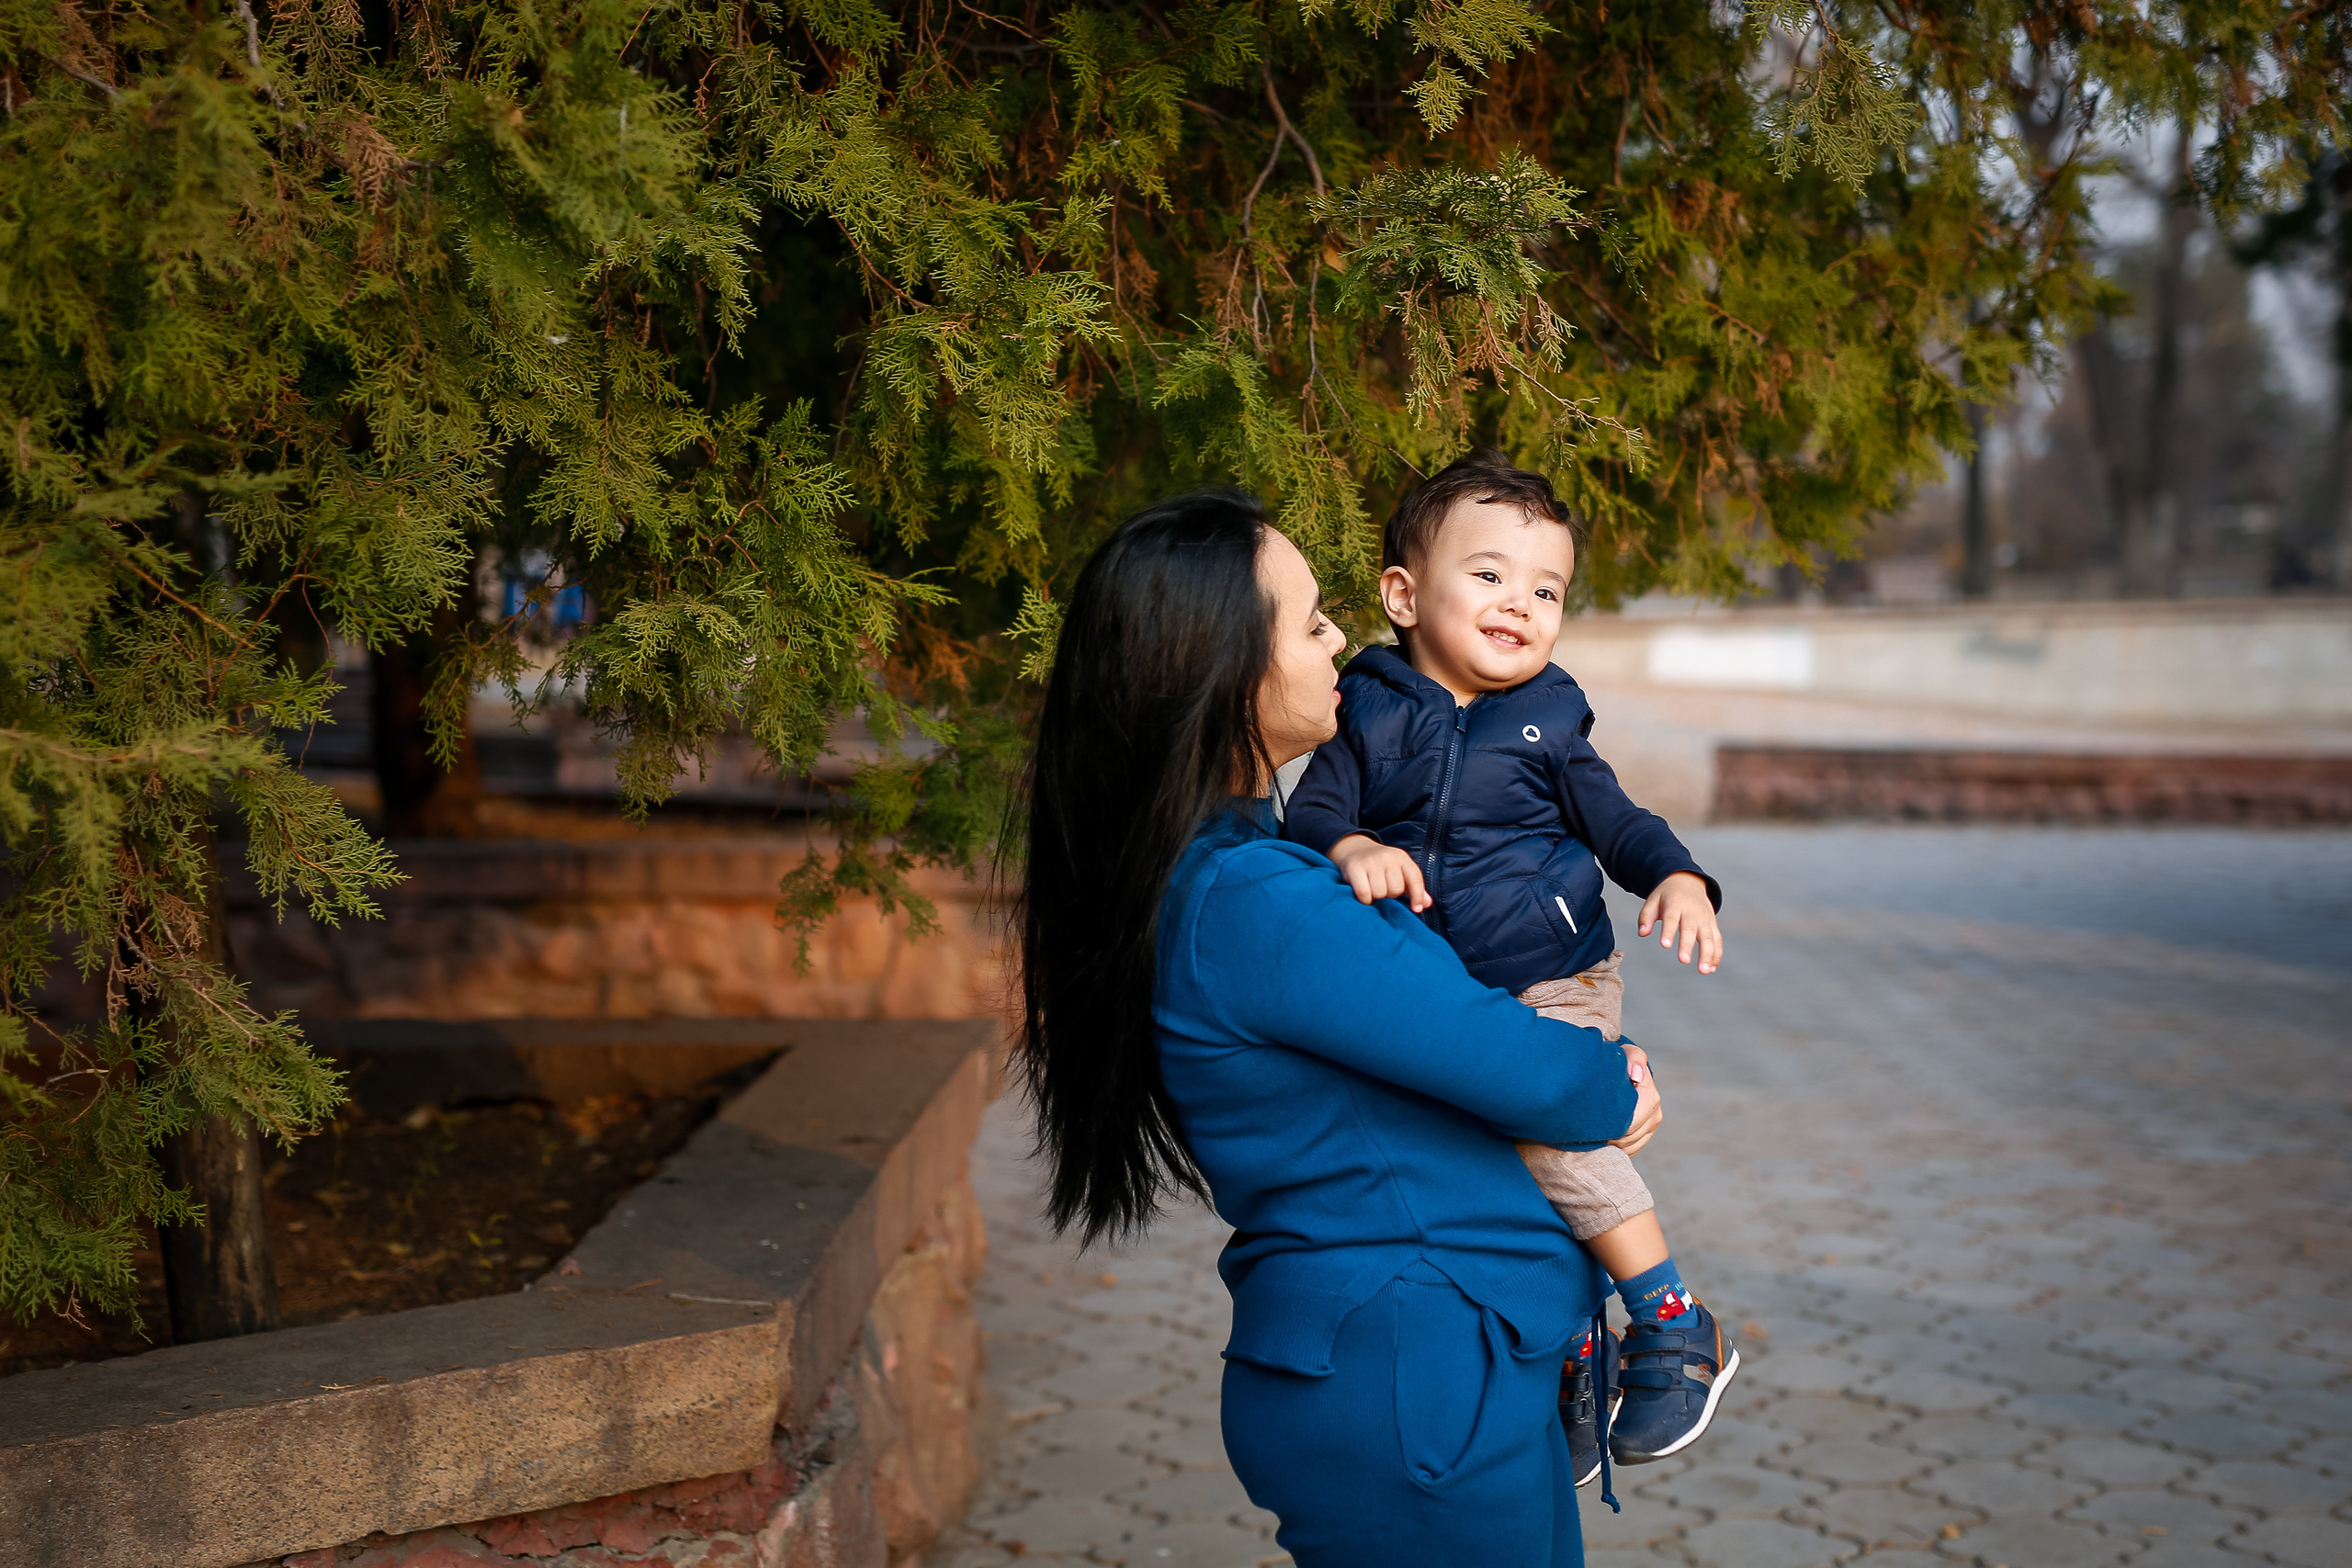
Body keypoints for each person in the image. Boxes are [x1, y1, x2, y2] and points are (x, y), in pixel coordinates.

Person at [1019, 488, 1661, 1567]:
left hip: (1440, 1364)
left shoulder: (1245, 866)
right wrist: (1616, 1080)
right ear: (1224, 664)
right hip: (1414, 1372)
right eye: (1311, 620)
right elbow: (1525, 1071)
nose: (1339, 644)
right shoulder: (1256, 898)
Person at [1282, 451, 1740, 1483]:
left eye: (1545, 590)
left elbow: (1617, 823)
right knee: (1485, 1169)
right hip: (1438, 991)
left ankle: (1670, 1318)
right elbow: (1313, 812)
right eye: (1487, 575)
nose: (1520, 606)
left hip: (1555, 976)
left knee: (1548, 1121)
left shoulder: (1549, 718)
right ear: (1403, 594)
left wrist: (1678, 878)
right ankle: (1572, 1350)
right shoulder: (1367, 709)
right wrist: (1352, 848)